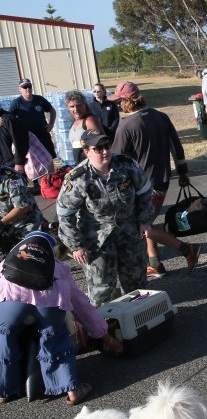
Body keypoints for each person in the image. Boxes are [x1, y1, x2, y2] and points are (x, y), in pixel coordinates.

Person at [0, 232, 122, 405]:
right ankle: (73, 391)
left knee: (4, 338)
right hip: (48, 303)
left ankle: (4, 391)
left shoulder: (9, 261)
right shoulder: (57, 267)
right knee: (56, 339)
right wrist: (106, 337)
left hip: (12, 303)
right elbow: (82, 307)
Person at [108, 81, 201, 279]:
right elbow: (176, 147)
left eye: (119, 102)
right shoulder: (161, 116)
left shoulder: (126, 126)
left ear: (127, 101)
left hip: (140, 186)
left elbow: (114, 160)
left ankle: (187, 249)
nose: (118, 106)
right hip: (161, 181)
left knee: (139, 226)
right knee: (146, 222)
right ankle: (155, 264)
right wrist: (183, 172)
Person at [56, 130, 154, 307]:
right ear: (86, 151)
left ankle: (140, 322)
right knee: (102, 289)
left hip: (129, 233)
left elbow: (145, 192)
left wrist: (145, 221)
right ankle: (105, 329)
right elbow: (64, 215)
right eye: (97, 148)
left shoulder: (126, 165)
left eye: (106, 146)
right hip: (96, 240)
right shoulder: (78, 178)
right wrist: (76, 245)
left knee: (136, 283)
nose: (104, 151)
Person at [9, 78, 56, 165]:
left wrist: (51, 125)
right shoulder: (16, 103)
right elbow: (10, 119)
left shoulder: (40, 100)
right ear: (20, 89)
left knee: (51, 158)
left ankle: (53, 176)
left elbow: (52, 111)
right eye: (25, 87)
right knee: (33, 162)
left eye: (29, 86)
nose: (28, 89)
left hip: (43, 134)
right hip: (28, 138)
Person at [0, 164, 44, 255]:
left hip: (25, 224)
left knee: (27, 258)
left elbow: (21, 208)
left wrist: (1, 223)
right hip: (4, 224)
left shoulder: (12, 178)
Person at [65, 90, 104, 165]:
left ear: (85, 105)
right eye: (72, 106)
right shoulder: (74, 122)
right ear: (68, 108)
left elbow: (100, 144)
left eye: (79, 105)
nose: (76, 109)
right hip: (81, 165)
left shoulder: (89, 120)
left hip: (91, 165)